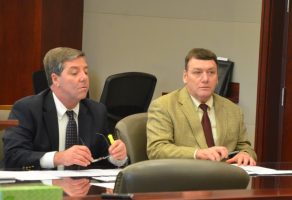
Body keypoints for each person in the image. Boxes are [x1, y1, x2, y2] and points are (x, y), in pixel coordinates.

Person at [3, 47, 127, 170]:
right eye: (74, 73)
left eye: (86, 72)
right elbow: (13, 156)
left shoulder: (97, 111)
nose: (84, 78)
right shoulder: (27, 109)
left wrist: (117, 158)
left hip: (84, 187)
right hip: (44, 188)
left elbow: (103, 157)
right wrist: (58, 158)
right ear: (55, 79)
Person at [147, 48, 257, 166]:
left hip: (225, 178)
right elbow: (156, 149)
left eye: (211, 72)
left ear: (217, 78)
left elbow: (245, 146)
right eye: (197, 72)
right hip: (184, 178)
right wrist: (197, 153)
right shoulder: (164, 106)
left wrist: (245, 154)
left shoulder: (233, 110)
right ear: (185, 76)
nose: (205, 79)